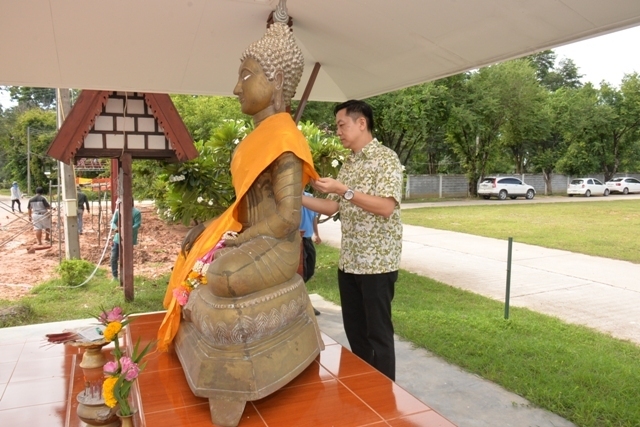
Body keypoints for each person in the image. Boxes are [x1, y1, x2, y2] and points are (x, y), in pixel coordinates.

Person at [157, 17, 318, 351]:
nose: (236, 88)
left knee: (223, 275)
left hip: (277, 246)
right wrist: (210, 227)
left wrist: (240, 239)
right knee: (195, 250)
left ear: (277, 80)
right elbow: (244, 208)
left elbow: (288, 218)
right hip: (251, 237)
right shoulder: (257, 139)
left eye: (246, 76)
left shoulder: (286, 139)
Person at [302, 99, 403, 381]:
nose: (338, 132)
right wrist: (297, 198)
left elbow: (386, 207)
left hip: (377, 265)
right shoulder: (350, 163)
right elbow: (334, 206)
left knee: (378, 335)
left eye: (341, 125)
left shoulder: (386, 159)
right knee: (356, 333)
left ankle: (383, 395)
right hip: (350, 263)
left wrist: (344, 190)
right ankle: (364, 389)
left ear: (361, 123)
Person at [300, 191, 322, 316]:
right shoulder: (291, 196)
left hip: (308, 238)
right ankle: (305, 304)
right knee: (301, 272)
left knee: (310, 270)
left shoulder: (310, 197)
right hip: (297, 239)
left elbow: (314, 218)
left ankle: (301, 300)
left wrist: (316, 234)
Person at [110, 199, 142, 281]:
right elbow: (112, 222)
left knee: (127, 258)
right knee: (114, 257)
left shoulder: (136, 212)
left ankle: (127, 276)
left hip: (129, 239)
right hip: (118, 238)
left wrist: (127, 229)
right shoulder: (118, 211)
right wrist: (115, 228)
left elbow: (137, 224)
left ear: (131, 202)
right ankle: (115, 276)